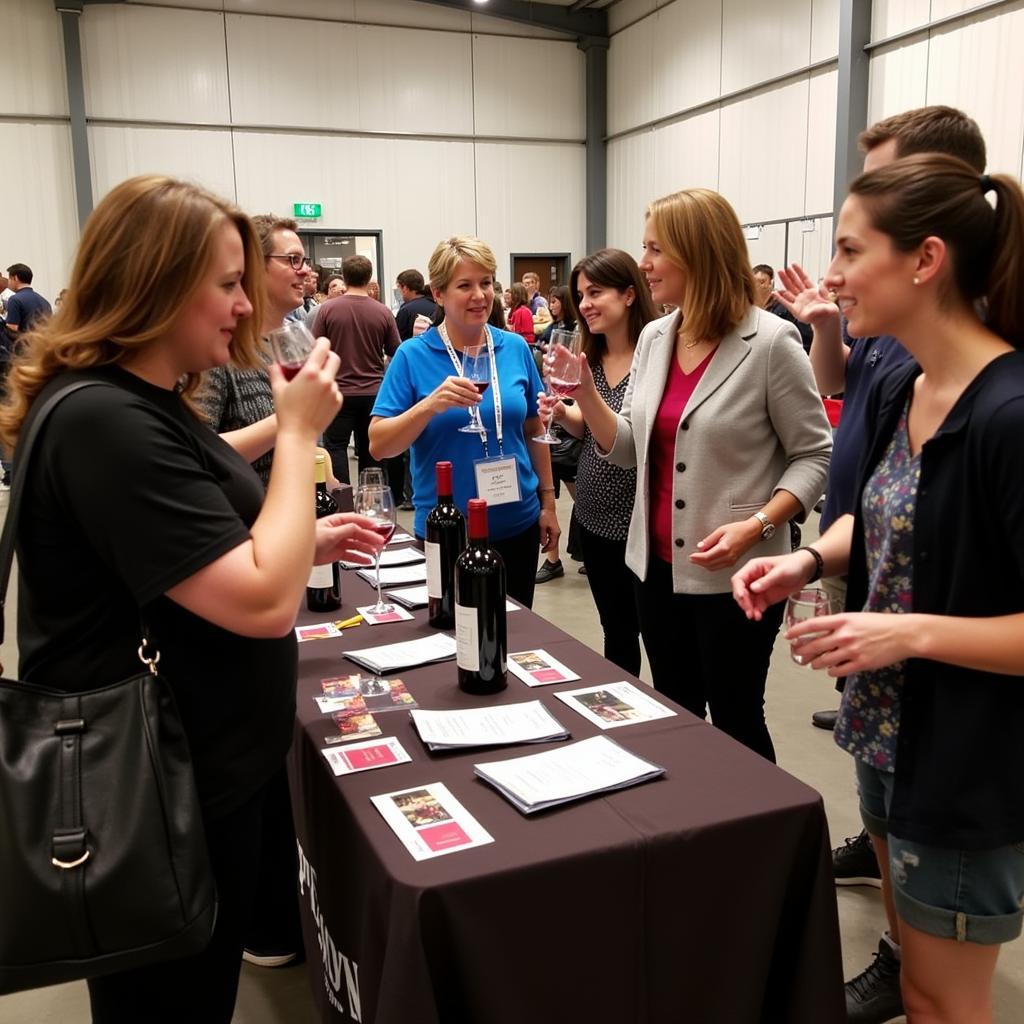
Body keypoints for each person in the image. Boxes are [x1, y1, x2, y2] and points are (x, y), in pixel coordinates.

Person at [0, 174, 383, 1023]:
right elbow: (261, 602)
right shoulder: (106, 420)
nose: (246, 306)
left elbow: (197, 529)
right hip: (158, 793)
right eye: (227, 283)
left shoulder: (139, 403)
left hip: (196, 774)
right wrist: (296, 434)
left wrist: (301, 537)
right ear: (155, 283)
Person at [733, 153, 1024, 1024]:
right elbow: (899, 514)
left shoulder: (1008, 414)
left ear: (925, 260)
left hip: (965, 760)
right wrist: (808, 559)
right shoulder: (915, 385)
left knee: (943, 1000)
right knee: (915, 975)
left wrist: (906, 634)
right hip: (889, 732)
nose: (829, 276)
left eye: (851, 252)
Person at [563, 189, 831, 760]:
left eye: (657, 249)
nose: (645, 264)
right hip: (654, 568)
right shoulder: (657, 337)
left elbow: (814, 456)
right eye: (645, 248)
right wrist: (585, 392)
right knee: (675, 708)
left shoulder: (771, 342)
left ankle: (756, 836)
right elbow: (628, 449)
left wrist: (758, 524)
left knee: (735, 715)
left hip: (736, 574)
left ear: (699, 253)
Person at [368, 235, 560, 607]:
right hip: (448, 530)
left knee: (518, 638)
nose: (480, 295)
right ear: (438, 294)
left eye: (486, 283)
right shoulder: (413, 356)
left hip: (517, 524)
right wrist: (429, 406)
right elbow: (379, 444)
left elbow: (535, 428)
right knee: (452, 636)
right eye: (465, 286)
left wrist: (548, 504)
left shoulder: (515, 348)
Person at [539, 249, 658, 673]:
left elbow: (628, 440)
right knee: (617, 632)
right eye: (579, 294)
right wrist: (561, 413)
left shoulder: (656, 356)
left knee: (659, 638)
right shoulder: (589, 354)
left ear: (629, 294)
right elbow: (587, 429)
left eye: (595, 292)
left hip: (642, 521)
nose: (584, 303)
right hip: (594, 515)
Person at [198, 214, 310, 486]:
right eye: (293, 259)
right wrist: (289, 418)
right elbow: (198, 452)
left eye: (304, 261)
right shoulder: (219, 352)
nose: (305, 270)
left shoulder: (293, 341)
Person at [312, 254, 401, 485]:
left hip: (338, 393)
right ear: (369, 277)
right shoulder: (383, 312)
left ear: (344, 276)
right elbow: (396, 351)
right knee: (372, 448)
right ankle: (371, 502)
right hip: (373, 394)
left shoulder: (327, 310)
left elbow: (316, 350)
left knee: (336, 447)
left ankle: (342, 501)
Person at [752, 264, 812, 351]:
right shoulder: (750, 309)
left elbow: (806, 340)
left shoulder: (785, 308)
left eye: (760, 282)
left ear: (770, 284)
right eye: (752, 282)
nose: (755, 286)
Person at [394, 269, 438, 341]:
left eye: (399, 287)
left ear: (405, 288)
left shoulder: (405, 311)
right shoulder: (436, 306)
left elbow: (398, 341)